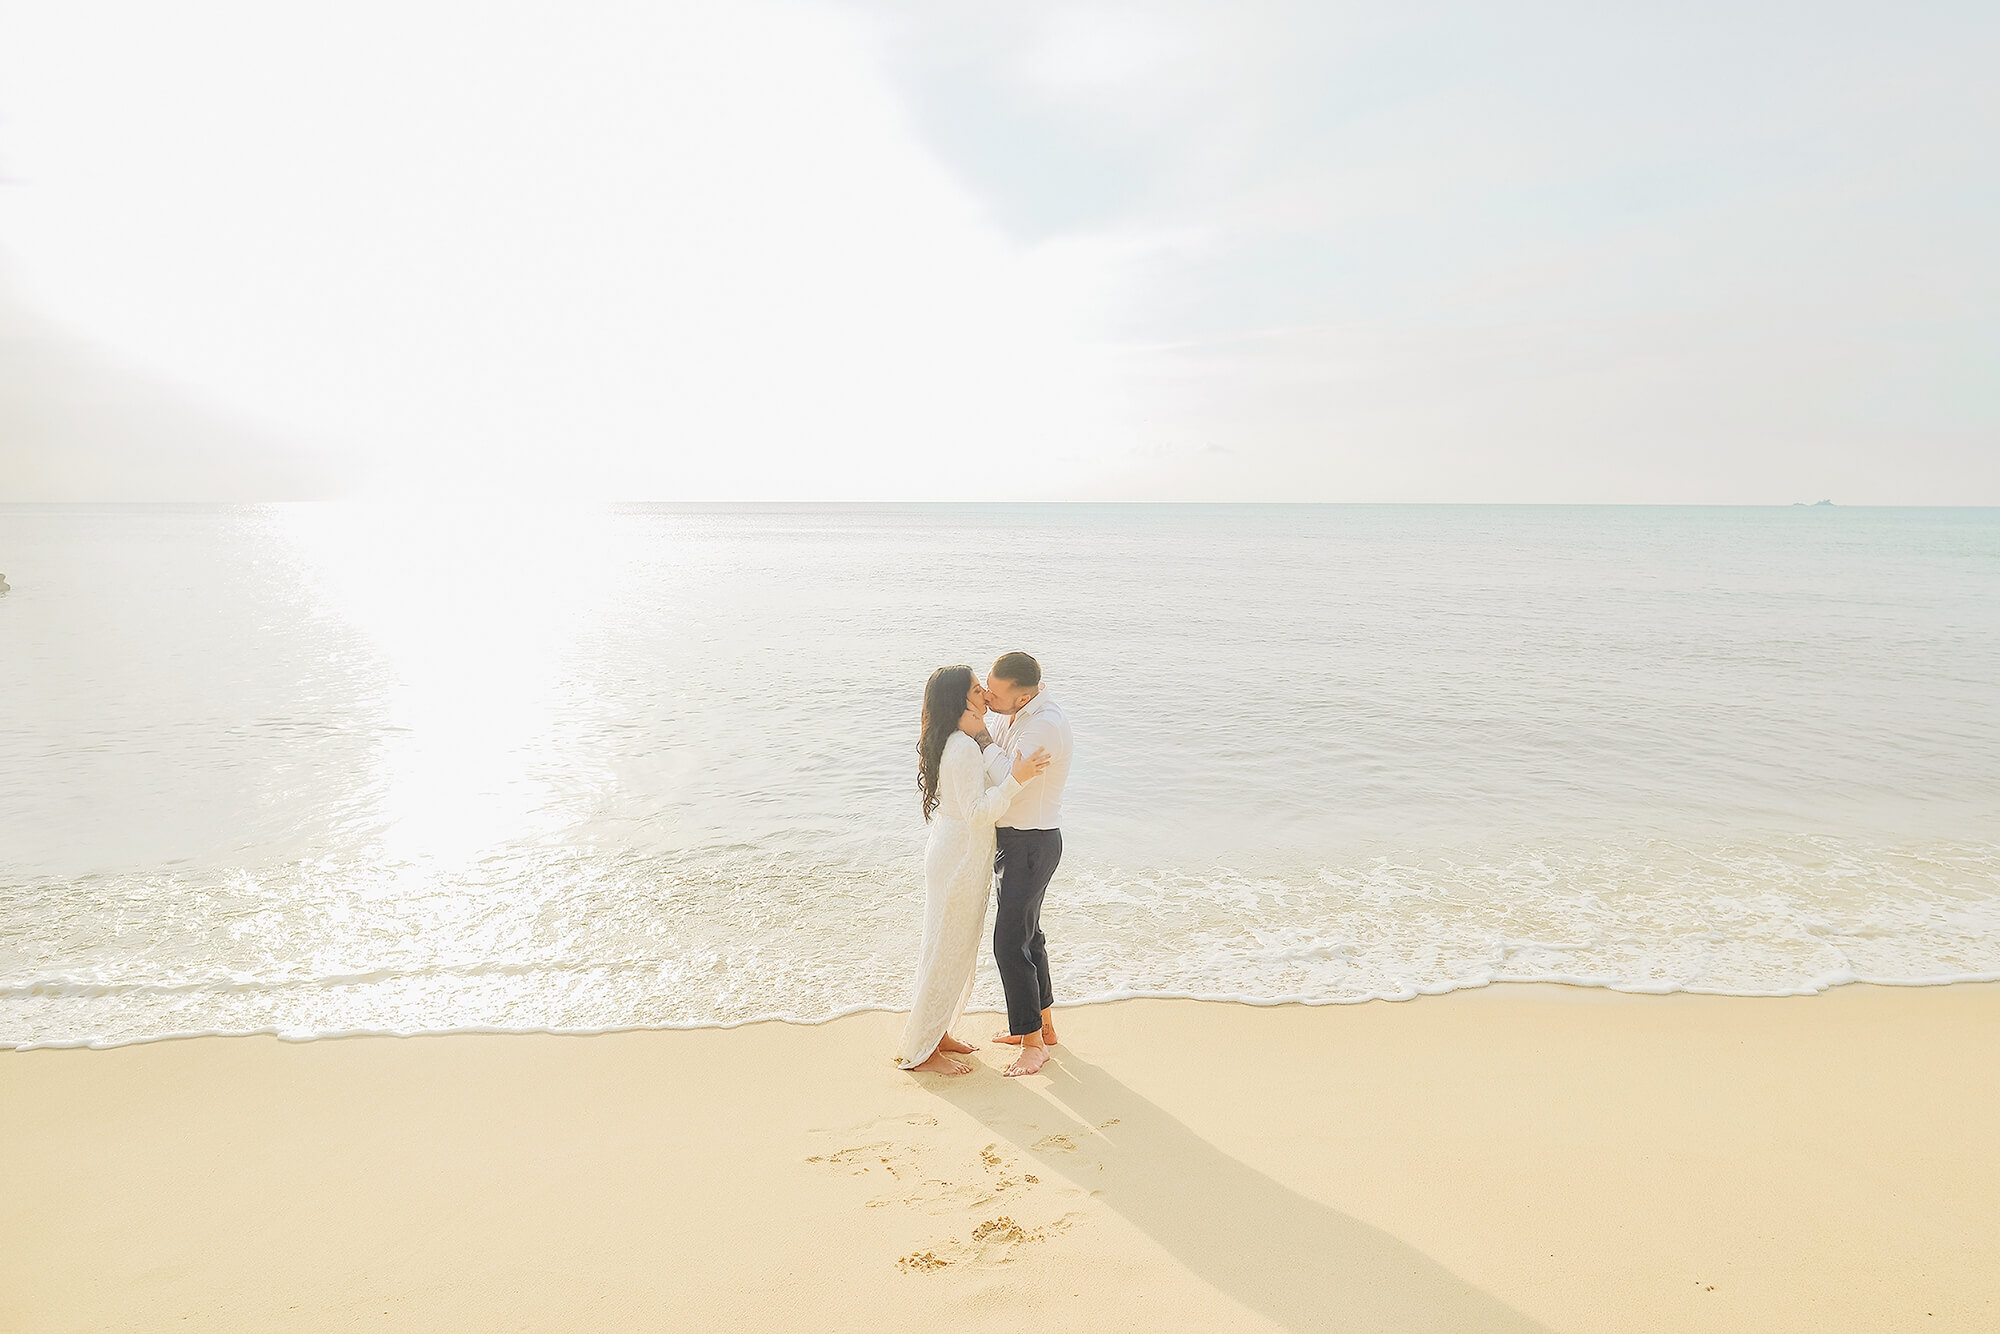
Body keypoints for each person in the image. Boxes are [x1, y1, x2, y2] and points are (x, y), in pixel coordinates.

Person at [893, 665, 1051, 1075]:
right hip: (959, 857)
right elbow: (978, 813)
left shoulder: (962, 742)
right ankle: (924, 1053)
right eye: (977, 688)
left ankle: (937, 1033)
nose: (985, 693)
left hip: (958, 853)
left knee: (949, 947)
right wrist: (1016, 780)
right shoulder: (962, 747)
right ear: (961, 700)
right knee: (947, 949)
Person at [968, 651, 1074, 1078]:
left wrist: (978, 734)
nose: (989, 696)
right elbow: (1000, 767)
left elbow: (1001, 775)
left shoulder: (1044, 725)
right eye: (988, 686)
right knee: (1029, 936)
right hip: (1015, 840)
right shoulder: (1012, 713)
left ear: (1024, 694)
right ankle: (1042, 1027)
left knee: (1009, 944)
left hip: (1032, 843)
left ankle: (1032, 1045)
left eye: (996, 691)